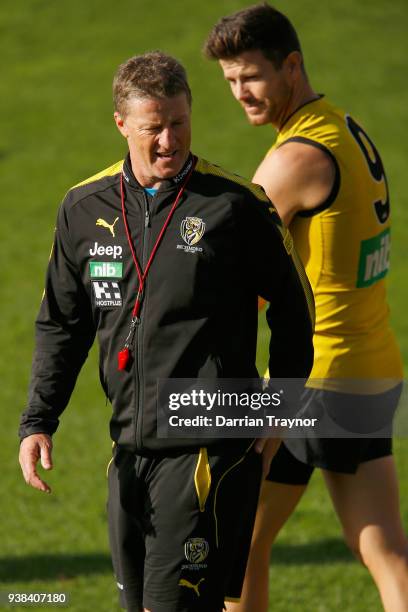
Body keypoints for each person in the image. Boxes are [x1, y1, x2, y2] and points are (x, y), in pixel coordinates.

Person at [18, 51, 314, 612]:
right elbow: (63, 322)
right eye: (153, 127)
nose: (168, 141)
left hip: (209, 444)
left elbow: (296, 307)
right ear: (122, 124)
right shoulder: (84, 208)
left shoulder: (236, 207)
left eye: (179, 123)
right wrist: (39, 420)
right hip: (129, 446)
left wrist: (281, 406)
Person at [204, 4, 408, 612]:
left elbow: (232, 268)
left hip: (312, 380)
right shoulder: (344, 128)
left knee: (233, 542)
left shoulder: (293, 159)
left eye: (253, 77)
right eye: (231, 82)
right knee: (383, 548)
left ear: (292, 66)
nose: (241, 94)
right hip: (368, 367)